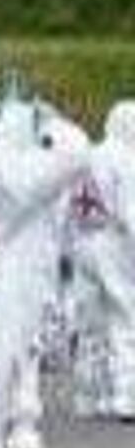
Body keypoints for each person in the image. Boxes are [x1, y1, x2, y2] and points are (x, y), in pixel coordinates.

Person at [0, 99, 91, 448]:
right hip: (17, 270)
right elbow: (77, 154)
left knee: (21, 351)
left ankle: (22, 425)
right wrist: (52, 123)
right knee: (6, 354)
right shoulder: (23, 174)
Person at [66, 103, 135, 422]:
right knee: (125, 318)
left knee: (90, 322)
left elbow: (66, 206)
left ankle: (88, 396)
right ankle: (126, 396)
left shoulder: (86, 157)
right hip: (113, 243)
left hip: (82, 242)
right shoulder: (127, 160)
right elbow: (130, 212)